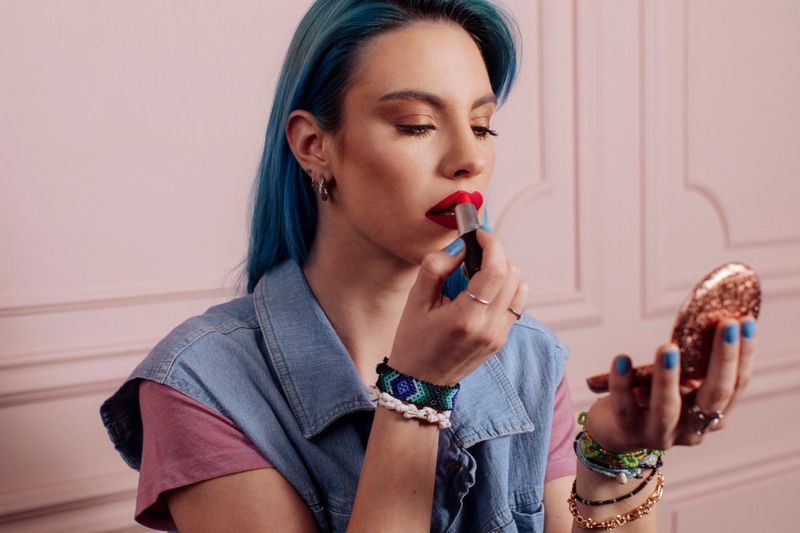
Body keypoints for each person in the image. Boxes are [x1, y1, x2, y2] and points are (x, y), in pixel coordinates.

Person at [100, 1, 757, 531]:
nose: (469, 158)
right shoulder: (200, 385)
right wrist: (417, 390)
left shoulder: (529, 355)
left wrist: (613, 456)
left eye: (483, 125)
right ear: (313, 145)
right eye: (417, 125)